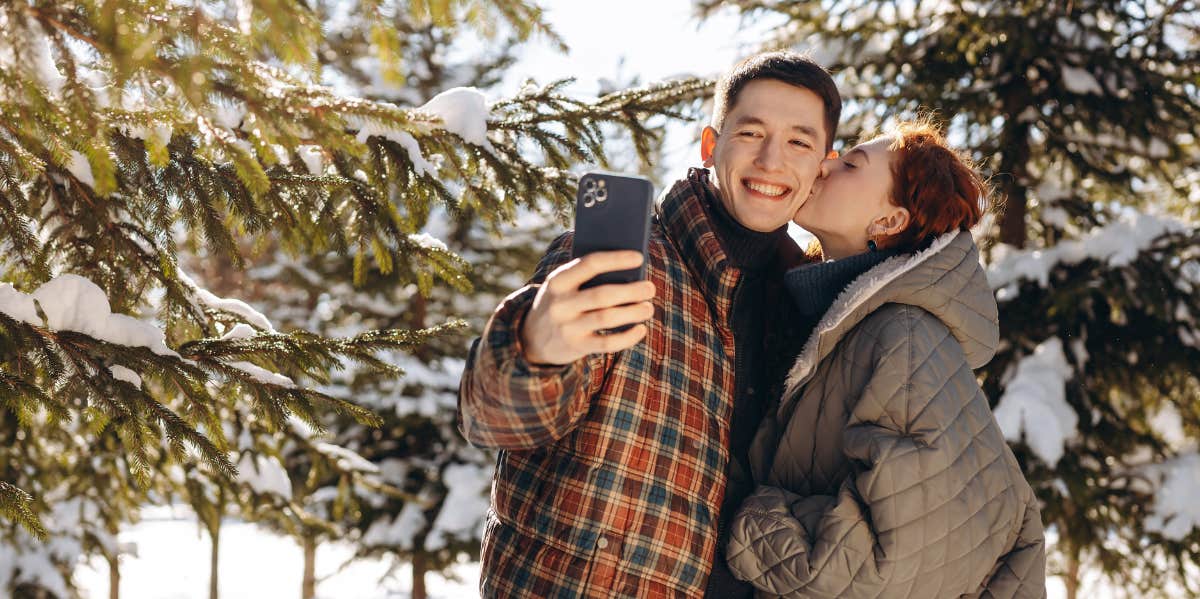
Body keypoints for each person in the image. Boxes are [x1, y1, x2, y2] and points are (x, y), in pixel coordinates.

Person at [457, 50, 841, 597]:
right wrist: (533, 349)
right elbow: (494, 419)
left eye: (799, 142)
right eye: (751, 133)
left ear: (823, 164)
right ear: (711, 146)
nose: (772, 160)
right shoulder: (623, 268)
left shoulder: (813, 308)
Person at [725, 121, 1047, 598]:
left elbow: (891, 564)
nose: (827, 162)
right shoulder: (837, 327)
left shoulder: (905, 334)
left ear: (890, 221)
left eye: (851, 164)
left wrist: (742, 516)